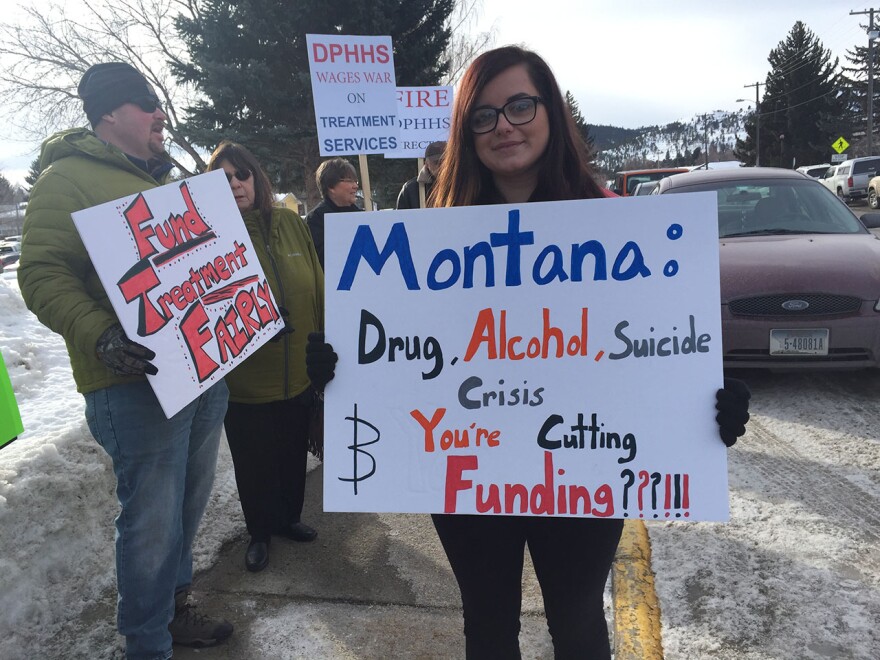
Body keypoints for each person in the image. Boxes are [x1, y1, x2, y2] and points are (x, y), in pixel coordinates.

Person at [427, 46, 752, 659]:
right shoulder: (433, 234)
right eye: (484, 115)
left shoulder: (616, 224)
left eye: (520, 105)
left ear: (550, 111)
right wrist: (342, 369)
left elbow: (660, 341)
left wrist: (708, 397)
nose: (504, 126)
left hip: (582, 459)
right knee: (487, 622)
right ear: (466, 132)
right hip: (469, 460)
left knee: (576, 619)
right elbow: (404, 354)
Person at [17, 62, 232, 658]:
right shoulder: (67, 179)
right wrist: (104, 333)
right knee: (151, 521)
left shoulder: (164, 182)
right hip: (130, 383)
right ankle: (147, 643)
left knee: (188, 505)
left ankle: (174, 610)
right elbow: (39, 273)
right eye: (146, 104)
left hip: (199, 375)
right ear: (110, 113)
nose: (160, 114)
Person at [207, 141, 332, 573]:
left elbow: (316, 283)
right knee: (254, 461)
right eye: (224, 179)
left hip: (298, 371)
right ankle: (259, 531)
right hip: (247, 379)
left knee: (292, 452)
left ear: (256, 178)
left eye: (242, 175)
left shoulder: (289, 222)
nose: (236, 184)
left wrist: (323, 344)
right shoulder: (211, 238)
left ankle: (288, 518)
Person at [305, 157, 363, 270]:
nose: (355, 186)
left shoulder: (361, 216)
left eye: (355, 181)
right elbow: (320, 261)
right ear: (331, 186)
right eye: (349, 181)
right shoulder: (315, 220)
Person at [395, 140, 446, 210]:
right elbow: (401, 218)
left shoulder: (462, 185)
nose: (442, 166)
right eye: (437, 162)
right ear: (427, 164)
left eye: (446, 162)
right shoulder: (410, 189)